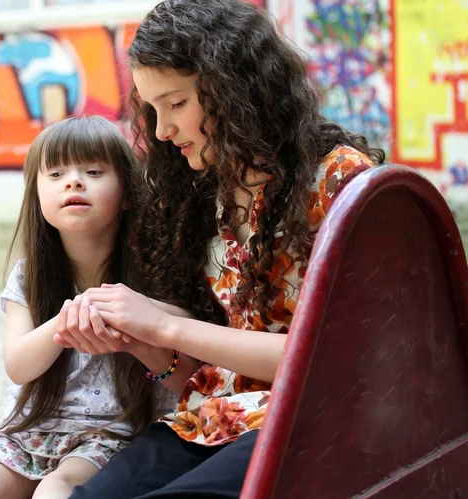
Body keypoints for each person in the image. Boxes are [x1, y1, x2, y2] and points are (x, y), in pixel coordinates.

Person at [57, 1, 385, 497]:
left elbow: (332, 354)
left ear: (235, 88)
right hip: (217, 421)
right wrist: (140, 337)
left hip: (318, 419)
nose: (162, 131)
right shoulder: (205, 191)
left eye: (175, 103)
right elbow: (210, 371)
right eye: (152, 110)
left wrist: (166, 325)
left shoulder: (339, 179)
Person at [0, 116, 194, 499]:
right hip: (31, 429)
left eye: (93, 171)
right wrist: (67, 321)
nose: (74, 181)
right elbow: (19, 366)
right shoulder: (29, 276)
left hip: (112, 432)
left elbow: (187, 356)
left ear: (129, 193)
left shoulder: (153, 274)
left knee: (57, 486)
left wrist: (137, 322)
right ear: (36, 195)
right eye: (55, 174)